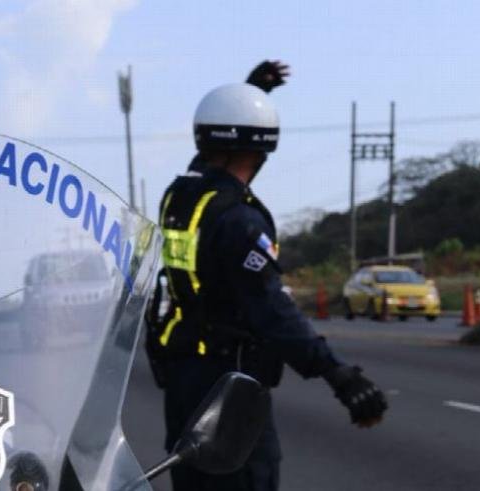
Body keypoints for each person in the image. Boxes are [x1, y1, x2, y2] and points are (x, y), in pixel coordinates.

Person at [145, 69, 388, 491]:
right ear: (260, 149)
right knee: (246, 477)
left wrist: (249, 96)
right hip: (229, 385)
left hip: (185, 378)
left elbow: (210, 159)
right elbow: (272, 311)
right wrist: (340, 376)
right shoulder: (239, 219)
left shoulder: (180, 197)